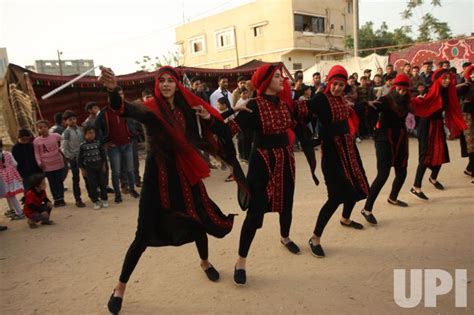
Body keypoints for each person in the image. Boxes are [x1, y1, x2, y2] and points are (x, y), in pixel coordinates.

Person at [99, 65, 248, 314]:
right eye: (162, 81)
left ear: (177, 85)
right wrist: (114, 90)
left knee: (198, 219)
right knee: (141, 235)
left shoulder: (186, 110)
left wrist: (217, 115)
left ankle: (204, 262)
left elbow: (210, 127)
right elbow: (124, 109)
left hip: (184, 174)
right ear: (157, 85)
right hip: (157, 178)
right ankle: (120, 287)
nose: (165, 85)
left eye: (170, 81)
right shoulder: (150, 109)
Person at [222, 64, 318, 285]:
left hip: (285, 161)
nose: (281, 79)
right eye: (276, 76)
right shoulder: (253, 106)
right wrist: (231, 111)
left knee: (286, 204)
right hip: (262, 164)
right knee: (255, 214)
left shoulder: (285, 104)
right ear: (265, 82)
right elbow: (227, 132)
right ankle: (240, 261)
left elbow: (303, 117)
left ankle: (285, 238)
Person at [307, 65, 369, 258]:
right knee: (335, 197)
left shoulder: (343, 100)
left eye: (341, 85)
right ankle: (315, 238)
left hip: (348, 151)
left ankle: (346, 219)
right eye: (335, 84)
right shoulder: (320, 99)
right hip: (332, 155)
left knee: (355, 187)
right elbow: (301, 110)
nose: (337, 88)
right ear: (329, 82)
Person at [361, 74, 412, 224]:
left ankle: (393, 197)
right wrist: (372, 128)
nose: (402, 92)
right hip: (384, 138)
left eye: (404, 89)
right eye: (399, 89)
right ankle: (367, 209)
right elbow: (370, 109)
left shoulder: (408, 100)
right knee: (383, 174)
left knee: (402, 171)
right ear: (395, 87)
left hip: (400, 138)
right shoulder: (386, 99)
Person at [410, 69, 467, 199]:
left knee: (441, 153)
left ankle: (433, 178)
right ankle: (415, 187)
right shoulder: (429, 90)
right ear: (438, 79)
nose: (447, 80)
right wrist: (418, 99)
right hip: (426, 125)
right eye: (444, 78)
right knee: (425, 156)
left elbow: (455, 93)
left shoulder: (449, 91)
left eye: (449, 78)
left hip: (437, 124)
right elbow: (419, 100)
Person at [95, 87, 139, 203]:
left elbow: (136, 122)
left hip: (127, 144)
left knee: (130, 169)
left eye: (121, 94)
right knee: (116, 172)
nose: (119, 97)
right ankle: (118, 195)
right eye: (116, 95)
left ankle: (132, 189)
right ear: (110, 98)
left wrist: (133, 135)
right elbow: (95, 128)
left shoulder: (127, 109)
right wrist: (104, 142)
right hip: (114, 147)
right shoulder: (104, 113)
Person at [33, 120, 66, 207]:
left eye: (45, 127)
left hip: (58, 162)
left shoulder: (55, 136)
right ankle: (56, 199)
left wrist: (61, 148)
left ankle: (61, 198)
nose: (43, 129)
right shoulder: (36, 141)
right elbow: (37, 153)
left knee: (59, 181)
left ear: (48, 127)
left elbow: (64, 140)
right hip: (46, 165)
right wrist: (39, 162)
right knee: (52, 182)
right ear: (38, 129)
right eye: (40, 127)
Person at [78, 126, 109, 209]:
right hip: (89, 168)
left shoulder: (98, 143)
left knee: (102, 183)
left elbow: (103, 156)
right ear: (85, 135)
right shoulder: (82, 146)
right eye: (89, 133)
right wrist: (82, 169)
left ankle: (104, 199)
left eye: (93, 133)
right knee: (92, 185)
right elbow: (80, 159)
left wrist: (104, 165)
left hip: (99, 166)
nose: (92, 135)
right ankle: (95, 201)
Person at [61, 110, 86, 208]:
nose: (73, 121)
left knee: (87, 176)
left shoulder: (80, 129)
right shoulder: (66, 133)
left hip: (83, 156)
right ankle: (78, 199)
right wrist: (71, 156)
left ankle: (93, 195)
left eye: (74, 119)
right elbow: (63, 148)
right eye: (70, 120)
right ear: (66, 121)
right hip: (74, 157)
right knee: (76, 178)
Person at [0, 139, 25, 220]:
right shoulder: (8, 153)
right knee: (11, 195)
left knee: (10, 196)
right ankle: (16, 211)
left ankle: (18, 212)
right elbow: (15, 164)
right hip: (11, 176)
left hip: (2, 177)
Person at [457, 65, 474, 183]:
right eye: (472, 73)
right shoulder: (466, 85)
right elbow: (453, 91)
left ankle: (469, 168)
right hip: (468, 116)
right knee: (471, 144)